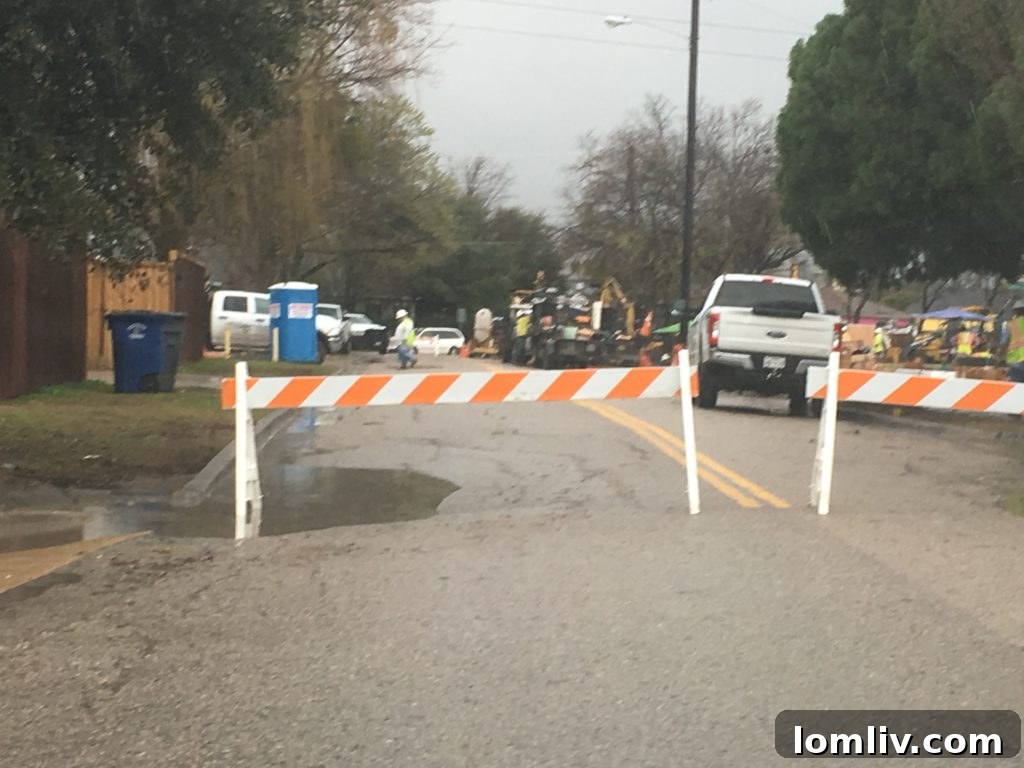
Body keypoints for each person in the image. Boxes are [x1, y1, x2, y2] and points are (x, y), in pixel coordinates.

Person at [1003, 299, 1024, 383]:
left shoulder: (1011, 324)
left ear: (1015, 311)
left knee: (1016, 388)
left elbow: (1004, 341)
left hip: (1015, 360)